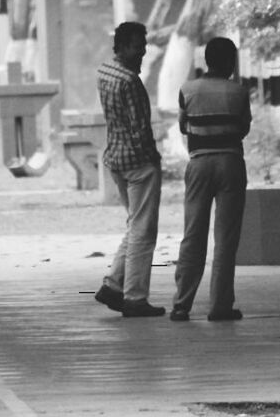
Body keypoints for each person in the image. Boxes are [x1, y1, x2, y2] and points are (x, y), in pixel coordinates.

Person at [171, 38, 251, 322]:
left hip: (199, 164)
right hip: (230, 162)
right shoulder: (239, 92)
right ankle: (220, 306)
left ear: (206, 60)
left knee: (193, 234)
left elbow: (183, 125)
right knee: (226, 238)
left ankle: (182, 304)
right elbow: (243, 128)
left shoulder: (187, 89)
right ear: (231, 62)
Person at [92, 22, 167, 318]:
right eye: (137, 46)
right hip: (138, 164)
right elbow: (139, 130)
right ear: (122, 47)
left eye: (144, 45)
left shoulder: (105, 72)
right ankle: (135, 297)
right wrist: (153, 159)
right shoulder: (130, 82)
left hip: (115, 159)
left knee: (135, 224)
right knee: (144, 232)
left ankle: (113, 285)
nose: (143, 51)